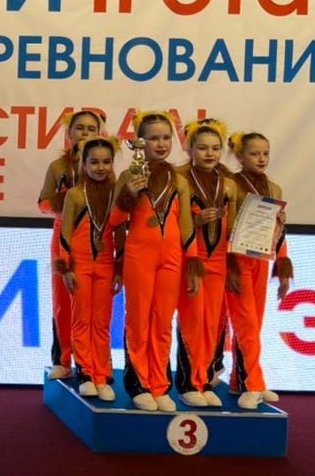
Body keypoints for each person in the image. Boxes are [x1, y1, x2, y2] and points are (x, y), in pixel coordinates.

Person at [115, 111, 203, 412]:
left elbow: (187, 225)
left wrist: (192, 264)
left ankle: (159, 384)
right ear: (140, 142)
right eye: (153, 138)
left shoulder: (180, 180)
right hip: (139, 255)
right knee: (138, 320)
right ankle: (138, 383)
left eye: (166, 137)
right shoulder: (129, 175)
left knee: (163, 321)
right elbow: (114, 220)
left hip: (172, 258)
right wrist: (128, 195)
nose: (161, 144)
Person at [54, 136, 127, 400]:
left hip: (106, 264)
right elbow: (65, 234)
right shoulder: (74, 195)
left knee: (102, 322)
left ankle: (102, 375)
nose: (100, 167)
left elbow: (120, 231)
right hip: (81, 265)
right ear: (83, 164)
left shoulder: (116, 193)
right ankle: (85, 372)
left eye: (106, 162)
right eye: (94, 162)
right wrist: (66, 269)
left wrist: (119, 269)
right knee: (82, 320)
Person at [174, 119, 239, 408]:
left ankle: (203, 378)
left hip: (219, 260)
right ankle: (188, 383)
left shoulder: (229, 185)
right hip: (191, 258)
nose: (210, 153)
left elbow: (233, 228)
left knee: (211, 323)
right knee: (192, 321)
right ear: (189, 149)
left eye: (215, 148)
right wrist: (195, 221)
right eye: (202, 148)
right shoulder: (180, 180)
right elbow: (169, 222)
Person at [37, 109, 106, 380]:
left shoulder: (105, 165)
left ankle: (97, 364)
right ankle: (63, 360)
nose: (85, 133)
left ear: (100, 133)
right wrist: (66, 201)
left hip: (96, 239)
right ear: (69, 133)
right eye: (80, 128)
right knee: (63, 301)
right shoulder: (58, 167)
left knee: (94, 307)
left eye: (91, 129)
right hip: (63, 237)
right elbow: (43, 203)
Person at [226, 131, 292, 410]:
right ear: (240, 156)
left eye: (265, 153)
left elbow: (279, 231)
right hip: (237, 261)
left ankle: (238, 380)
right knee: (246, 326)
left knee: (255, 324)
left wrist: (283, 267)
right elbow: (225, 228)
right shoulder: (230, 184)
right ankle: (254, 383)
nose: (261, 158)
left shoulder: (274, 189)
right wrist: (229, 265)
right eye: (254, 153)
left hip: (261, 262)